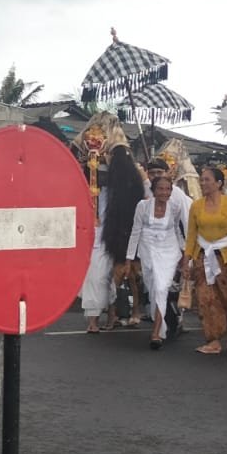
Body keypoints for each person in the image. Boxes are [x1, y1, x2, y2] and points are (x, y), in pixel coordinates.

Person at [81, 147, 144, 333]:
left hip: (121, 234)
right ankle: (94, 319)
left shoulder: (130, 181)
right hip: (98, 234)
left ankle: (118, 314)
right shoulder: (92, 185)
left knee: (124, 277)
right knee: (96, 276)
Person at [184, 164, 227, 354]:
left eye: (207, 180)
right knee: (205, 299)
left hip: (225, 258)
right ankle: (213, 340)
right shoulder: (196, 206)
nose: (203, 183)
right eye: (201, 180)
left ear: (218, 183)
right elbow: (192, 235)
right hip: (203, 257)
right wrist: (186, 259)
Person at [126, 173, 186, 348]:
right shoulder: (143, 206)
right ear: (153, 190)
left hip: (169, 251)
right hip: (148, 251)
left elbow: (176, 230)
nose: (164, 193)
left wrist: (184, 253)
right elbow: (135, 231)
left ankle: (156, 332)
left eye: (168, 189)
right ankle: (162, 323)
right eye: (160, 189)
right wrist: (129, 258)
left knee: (161, 287)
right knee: (153, 288)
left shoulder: (175, 207)